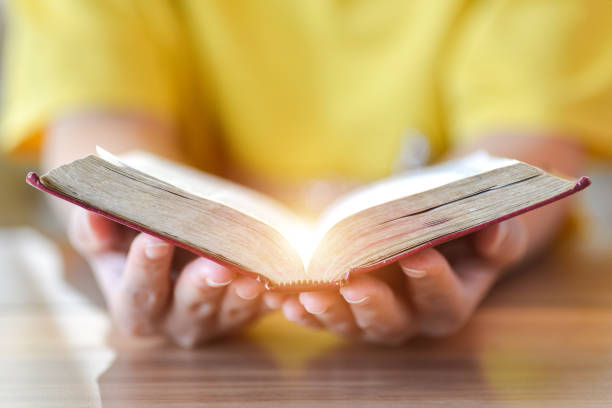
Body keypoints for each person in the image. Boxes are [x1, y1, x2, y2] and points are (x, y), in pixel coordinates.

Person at [1, 1, 610, 347]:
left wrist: (480, 242)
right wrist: (122, 227)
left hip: (491, 335)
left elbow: (528, 145)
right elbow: (98, 118)